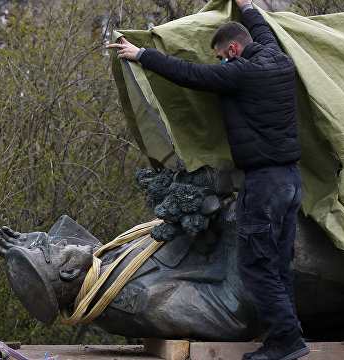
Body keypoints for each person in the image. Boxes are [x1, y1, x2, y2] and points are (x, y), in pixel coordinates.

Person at [107, 1, 307, 359]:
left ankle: (285, 340)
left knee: (256, 264)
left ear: (233, 49)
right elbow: (260, 27)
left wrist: (142, 54)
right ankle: (288, 336)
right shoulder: (277, 57)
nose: (221, 64)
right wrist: (246, 5)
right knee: (276, 264)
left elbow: (190, 75)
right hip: (290, 182)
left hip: (264, 185)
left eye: (222, 57)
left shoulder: (241, 72)